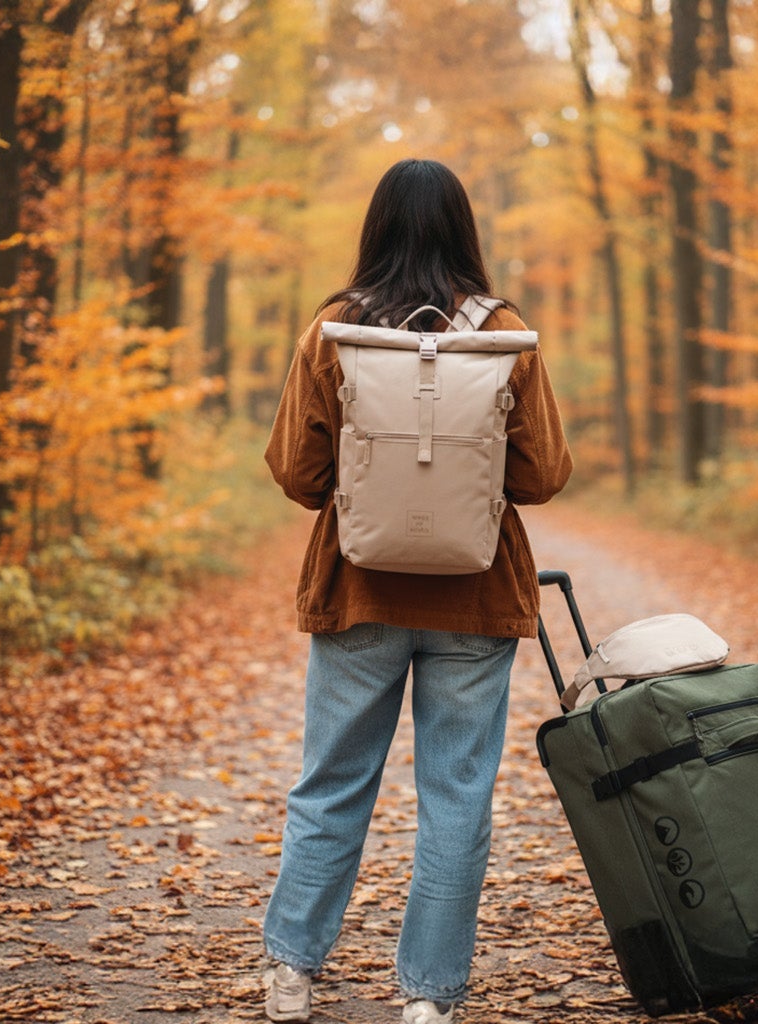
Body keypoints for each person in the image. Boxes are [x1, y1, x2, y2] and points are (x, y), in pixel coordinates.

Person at [259, 158, 572, 1024]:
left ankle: (292, 972)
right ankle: (428, 999)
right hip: (474, 601)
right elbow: (543, 475)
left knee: (331, 785)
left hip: (358, 590)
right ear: (463, 230)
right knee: (458, 798)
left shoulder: (333, 327)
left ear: (376, 227)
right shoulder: (504, 330)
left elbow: (294, 469)